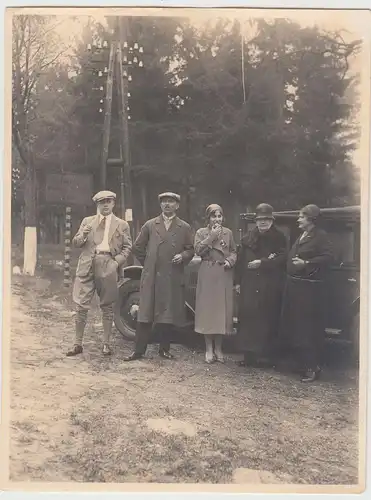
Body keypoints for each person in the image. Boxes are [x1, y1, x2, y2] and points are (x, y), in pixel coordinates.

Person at [124, 192, 194, 361]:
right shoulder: (150, 225)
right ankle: (138, 351)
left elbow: (191, 249)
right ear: (160, 205)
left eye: (171, 202)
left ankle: (164, 349)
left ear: (177, 205)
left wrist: (183, 256)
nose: (167, 205)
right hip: (152, 275)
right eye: (164, 202)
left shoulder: (184, 227)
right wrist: (149, 262)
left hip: (171, 275)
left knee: (167, 313)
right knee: (145, 312)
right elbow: (138, 247)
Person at [66, 191, 132, 357]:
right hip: (87, 264)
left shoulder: (121, 224)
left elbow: (127, 247)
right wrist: (83, 234)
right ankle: (77, 344)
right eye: (102, 202)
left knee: (107, 306)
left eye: (108, 201)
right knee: (81, 305)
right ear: (97, 204)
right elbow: (76, 243)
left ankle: (106, 344)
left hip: (108, 263)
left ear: (113, 203)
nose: (105, 205)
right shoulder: (88, 222)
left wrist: (116, 262)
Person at [280, 204, 333, 382]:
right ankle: (303, 364)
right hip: (295, 287)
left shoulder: (321, 236)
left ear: (311, 219)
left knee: (308, 328)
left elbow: (328, 257)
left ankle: (313, 368)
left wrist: (306, 263)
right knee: (296, 326)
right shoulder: (302, 235)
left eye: (302, 216)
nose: (298, 219)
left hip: (309, 291)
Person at [234, 203, 286, 368]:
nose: (263, 222)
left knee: (267, 318)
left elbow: (282, 258)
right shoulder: (248, 238)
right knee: (248, 318)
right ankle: (248, 356)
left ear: (272, 221)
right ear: (255, 221)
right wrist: (237, 282)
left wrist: (263, 263)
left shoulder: (279, 238)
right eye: (260, 219)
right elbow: (240, 261)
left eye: (266, 219)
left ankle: (267, 357)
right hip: (249, 283)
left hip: (269, 284)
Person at [194, 204, 237, 363]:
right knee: (208, 311)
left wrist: (229, 261)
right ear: (208, 218)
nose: (217, 219)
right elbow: (198, 250)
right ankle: (208, 348)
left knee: (221, 311)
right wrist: (211, 237)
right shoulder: (201, 233)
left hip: (223, 272)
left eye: (219, 216)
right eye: (214, 216)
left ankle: (219, 347)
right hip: (207, 271)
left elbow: (233, 251)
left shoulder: (228, 233)